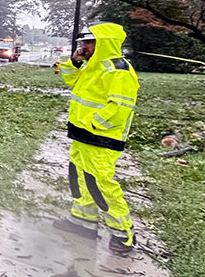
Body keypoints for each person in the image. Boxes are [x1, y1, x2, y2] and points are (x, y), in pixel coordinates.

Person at [53, 22, 140, 253]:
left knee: (100, 184)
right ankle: (82, 223)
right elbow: (72, 82)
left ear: (104, 42)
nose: (84, 46)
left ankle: (124, 234)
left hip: (101, 139)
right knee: (79, 177)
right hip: (82, 135)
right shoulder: (94, 66)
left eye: (89, 42)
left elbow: (120, 108)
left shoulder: (118, 70)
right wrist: (73, 61)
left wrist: (93, 124)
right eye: (83, 42)